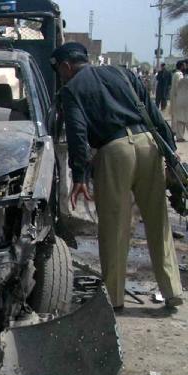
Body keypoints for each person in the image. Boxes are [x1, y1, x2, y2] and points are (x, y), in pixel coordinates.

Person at [51, 42, 184, 311]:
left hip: (114, 151)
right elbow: (155, 116)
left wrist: (79, 176)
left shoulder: (72, 89)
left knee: (114, 226)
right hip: (149, 144)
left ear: (66, 67)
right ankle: (172, 291)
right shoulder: (122, 73)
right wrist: (171, 158)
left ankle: (114, 299)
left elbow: (77, 134)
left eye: (59, 70)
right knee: (158, 221)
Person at [170, 60, 187, 142]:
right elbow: (178, 87)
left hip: (179, 99)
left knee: (180, 118)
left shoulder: (176, 74)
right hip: (182, 99)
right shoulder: (179, 75)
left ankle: (179, 136)